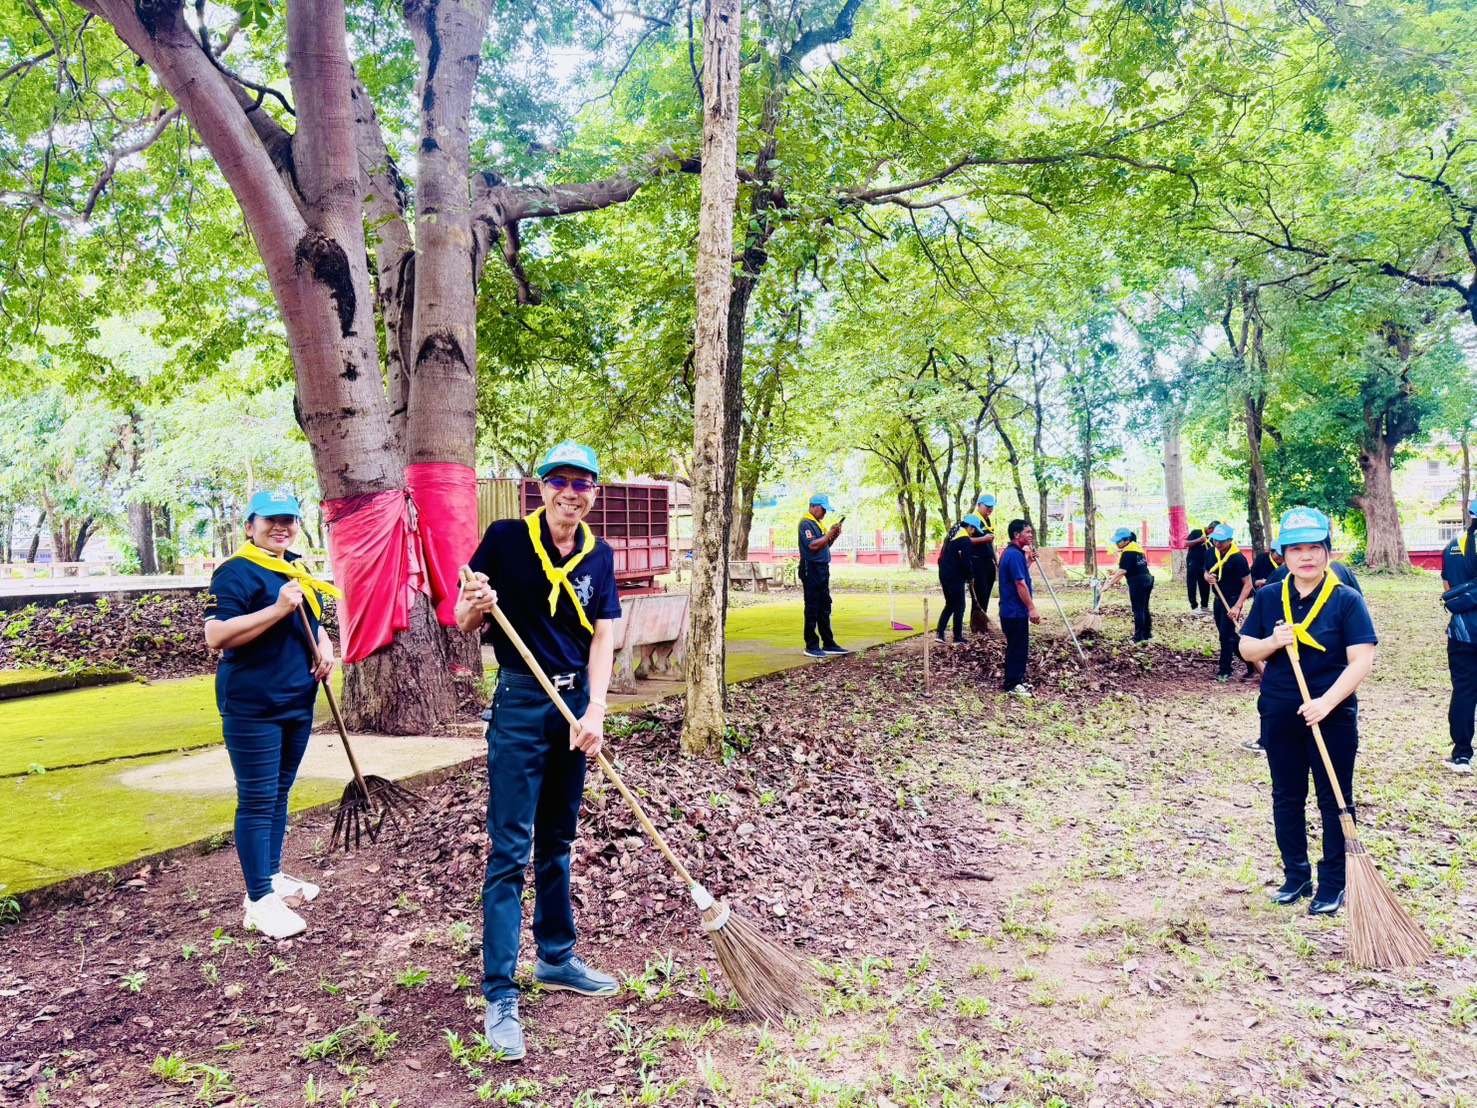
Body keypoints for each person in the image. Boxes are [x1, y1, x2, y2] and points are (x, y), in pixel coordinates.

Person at [456, 442, 625, 1062]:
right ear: (542, 487)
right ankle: (500, 993)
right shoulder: (505, 539)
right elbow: (462, 618)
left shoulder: (599, 554)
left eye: (582, 483)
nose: (570, 493)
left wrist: (596, 709)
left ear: (593, 493)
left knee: (558, 839)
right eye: (560, 481)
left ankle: (556, 957)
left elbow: (603, 635)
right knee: (510, 850)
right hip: (522, 703)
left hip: (574, 705)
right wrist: (475, 606)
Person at [203, 490, 338, 941]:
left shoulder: (295, 567)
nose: (281, 528)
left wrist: (325, 648)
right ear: (250, 526)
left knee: (280, 791)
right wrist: (278, 608)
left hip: (297, 700)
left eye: (289, 520)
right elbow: (217, 635)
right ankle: (258, 901)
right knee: (258, 799)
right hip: (253, 704)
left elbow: (314, 624)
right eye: (270, 520)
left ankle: (272, 875)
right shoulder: (235, 571)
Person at [1238, 507, 1377, 916]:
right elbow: (1246, 648)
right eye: (1296, 549)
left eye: (1314, 547)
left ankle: (1333, 883)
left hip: (1330, 713)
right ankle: (1296, 876)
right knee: (1286, 794)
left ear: (1327, 551)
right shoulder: (1269, 596)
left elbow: (1361, 661)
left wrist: (1325, 703)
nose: (1306, 556)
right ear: (1283, 555)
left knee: (1334, 798)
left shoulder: (1346, 599)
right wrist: (1273, 642)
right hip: (1279, 710)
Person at [1441, 502, 1477, 773]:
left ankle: (1462, 755)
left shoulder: (1453, 545)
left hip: (1462, 633)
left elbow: (1448, 589)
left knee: (1464, 691)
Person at [797, 494, 850, 659]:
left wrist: (833, 535)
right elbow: (813, 546)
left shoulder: (817, 524)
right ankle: (811, 645)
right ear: (813, 507)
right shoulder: (806, 523)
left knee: (825, 606)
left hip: (822, 569)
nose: (825, 513)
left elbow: (825, 545)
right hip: (811, 569)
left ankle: (828, 642)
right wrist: (828, 535)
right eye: (823, 509)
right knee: (812, 607)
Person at [997, 520, 1042, 698]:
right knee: (1017, 648)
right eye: (1027, 532)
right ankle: (1012, 684)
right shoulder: (1014, 555)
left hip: (1011, 610)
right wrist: (1031, 608)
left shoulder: (1012, 553)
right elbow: (1020, 583)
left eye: (1031, 532)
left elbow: (1017, 574)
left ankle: (1016, 680)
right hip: (1014, 611)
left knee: (1017, 646)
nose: (1031, 535)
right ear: (1016, 535)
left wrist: (1029, 561)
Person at [1204, 524, 1251, 682]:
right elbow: (1206, 571)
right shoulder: (1210, 553)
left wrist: (1237, 606)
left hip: (1233, 600)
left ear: (1230, 540)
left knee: (1225, 636)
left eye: (1221, 541)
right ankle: (1250, 661)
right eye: (1215, 540)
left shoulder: (1238, 559)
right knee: (1227, 635)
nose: (1217, 543)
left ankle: (1225, 670)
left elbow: (1248, 584)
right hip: (1218, 599)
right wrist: (1207, 577)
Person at [1103, 527, 1153, 643]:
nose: (1116, 543)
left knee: (1138, 610)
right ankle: (1147, 635)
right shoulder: (1137, 549)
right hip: (1147, 579)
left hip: (1138, 582)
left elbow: (1122, 571)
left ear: (1127, 540)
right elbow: (1131, 567)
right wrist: (1115, 572)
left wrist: (1108, 585)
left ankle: (1138, 638)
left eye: (1118, 541)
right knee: (1144, 608)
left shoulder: (1128, 552)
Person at [937, 514, 981, 645]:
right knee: (960, 606)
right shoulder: (964, 540)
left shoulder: (951, 535)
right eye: (974, 530)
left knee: (950, 604)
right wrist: (970, 576)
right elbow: (966, 561)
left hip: (944, 574)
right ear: (970, 527)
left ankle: (940, 633)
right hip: (955, 576)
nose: (973, 533)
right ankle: (957, 637)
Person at [968, 494, 999, 627]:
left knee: (986, 594)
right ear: (979, 505)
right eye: (987, 506)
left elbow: (991, 543)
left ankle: (982, 622)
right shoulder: (972, 519)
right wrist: (982, 539)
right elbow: (963, 540)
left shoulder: (988, 521)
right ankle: (976, 624)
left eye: (992, 506)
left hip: (988, 562)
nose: (990, 509)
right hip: (976, 562)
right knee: (980, 593)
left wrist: (996, 560)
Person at [1184, 528, 1211, 614]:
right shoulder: (1197, 532)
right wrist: (1199, 540)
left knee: (1205, 584)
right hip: (1193, 562)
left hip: (1204, 563)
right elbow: (1186, 544)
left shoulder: (1213, 538)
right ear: (1210, 528)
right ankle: (1194, 607)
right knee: (1192, 584)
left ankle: (1204, 606)